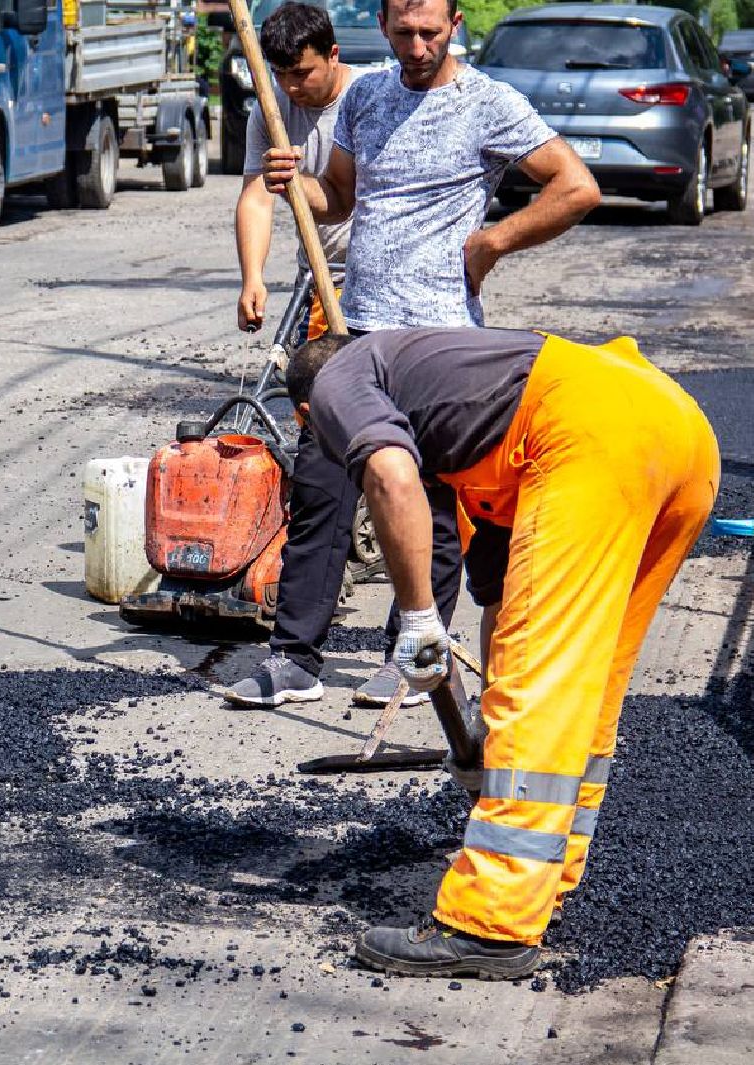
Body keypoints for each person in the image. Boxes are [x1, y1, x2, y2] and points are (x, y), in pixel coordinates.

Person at [284, 327, 719, 979]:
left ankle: (490, 923)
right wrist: (491, 730)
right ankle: (547, 875)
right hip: (677, 432)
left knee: (539, 690)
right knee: (585, 686)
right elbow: (500, 604)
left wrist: (420, 621)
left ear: (305, 415)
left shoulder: (337, 379)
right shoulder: (461, 409)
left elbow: (388, 475)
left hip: (588, 431)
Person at [223, 0, 599, 710]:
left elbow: (576, 186)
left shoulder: (488, 103)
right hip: (355, 332)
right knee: (320, 493)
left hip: (439, 345)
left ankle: (410, 656)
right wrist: (288, 181)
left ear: (455, 23)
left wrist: (492, 242)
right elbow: (336, 199)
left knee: (426, 506)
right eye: (403, 32)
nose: (417, 45)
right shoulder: (366, 94)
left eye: (430, 32)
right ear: (385, 25)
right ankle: (294, 660)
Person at [234, 1, 352, 339]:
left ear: (333, 54)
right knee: (310, 386)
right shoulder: (270, 111)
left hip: (378, 283)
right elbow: (256, 198)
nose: (290, 87)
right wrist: (252, 277)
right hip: (319, 279)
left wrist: (294, 181)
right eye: (279, 73)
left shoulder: (366, 97)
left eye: (301, 73)